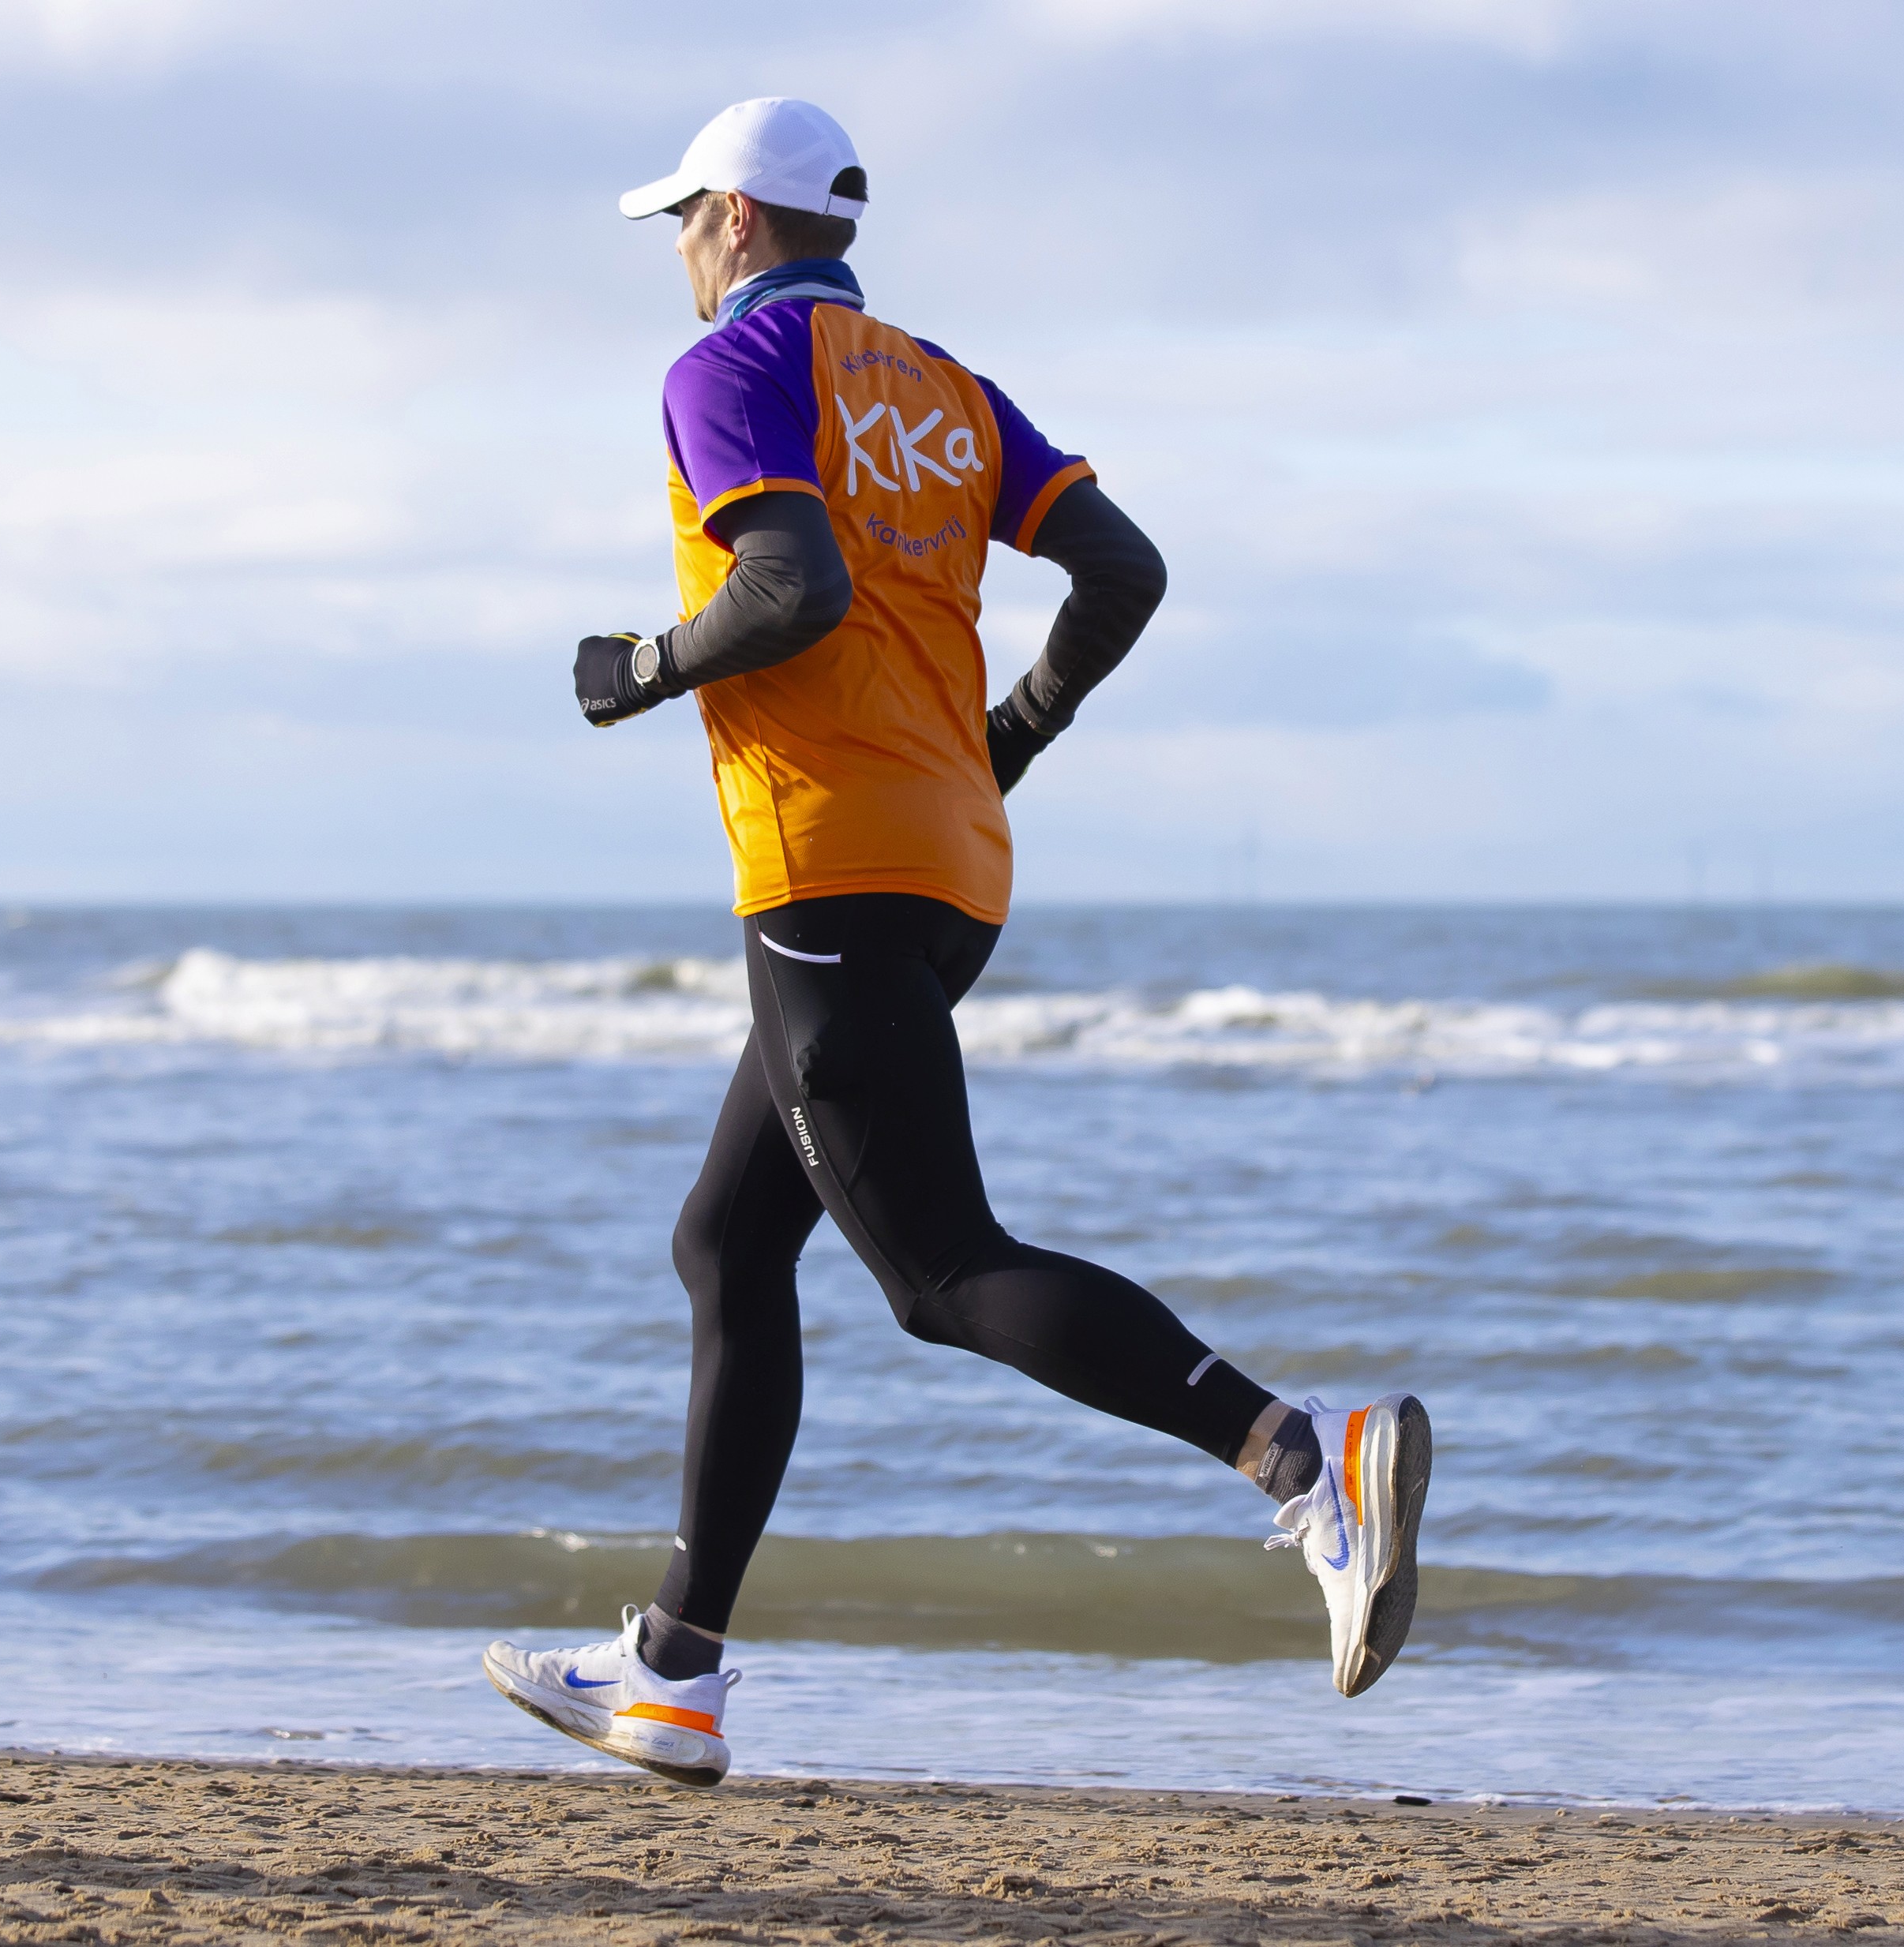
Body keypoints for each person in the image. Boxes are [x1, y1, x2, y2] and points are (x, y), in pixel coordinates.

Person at [482, 98, 1430, 1788]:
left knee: (936, 1272)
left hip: (828, 868)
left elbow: (789, 591)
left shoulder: (726, 375)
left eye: (689, 220)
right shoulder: (940, 387)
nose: (684, 253)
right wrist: (1011, 737)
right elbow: (1120, 571)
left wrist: (644, 667)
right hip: (955, 870)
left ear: (742, 224)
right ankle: (674, 1669)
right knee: (725, 1240)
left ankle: (1300, 1455)